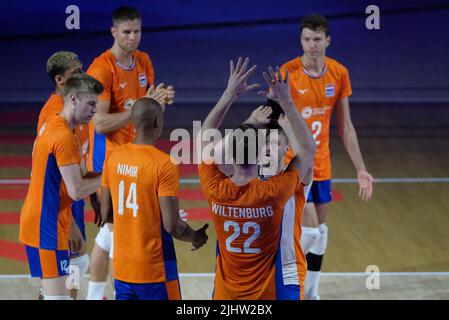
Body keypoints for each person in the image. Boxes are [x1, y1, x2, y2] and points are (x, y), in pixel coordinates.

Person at [198, 57, 316, 299]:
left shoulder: (230, 184)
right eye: (267, 143)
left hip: (284, 271)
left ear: (287, 148)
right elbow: (307, 150)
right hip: (264, 280)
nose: (271, 147)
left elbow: (206, 143)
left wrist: (243, 113)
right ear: (259, 150)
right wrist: (287, 103)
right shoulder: (276, 188)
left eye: (278, 143)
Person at [275, 14, 374, 299]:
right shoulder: (288, 72)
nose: (311, 45)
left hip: (323, 167)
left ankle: (311, 292)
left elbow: (345, 125)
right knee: (311, 231)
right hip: (294, 166)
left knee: (320, 233)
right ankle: (275, 267)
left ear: (327, 41)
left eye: (317, 39)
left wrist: (361, 169)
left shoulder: (339, 73)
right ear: (300, 40)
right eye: (306, 39)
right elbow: (276, 120)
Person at [85, 6, 174, 300]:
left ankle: (96, 295)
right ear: (113, 32)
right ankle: (100, 294)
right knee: (115, 233)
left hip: (136, 156)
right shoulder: (102, 69)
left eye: (137, 31)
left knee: (112, 233)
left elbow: (145, 108)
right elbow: (98, 123)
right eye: (126, 32)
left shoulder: (144, 61)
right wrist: (140, 107)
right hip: (110, 159)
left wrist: (159, 101)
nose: (133, 37)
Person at [100, 97, 208, 300]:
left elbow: (106, 213)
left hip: (123, 269)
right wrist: (196, 237)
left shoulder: (113, 157)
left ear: (132, 122)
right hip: (155, 270)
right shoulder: (164, 164)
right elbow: (172, 226)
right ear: (158, 122)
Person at [19, 73, 104, 300]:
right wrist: (111, 175)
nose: (96, 111)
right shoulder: (63, 136)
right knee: (59, 298)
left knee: (78, 262)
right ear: (74, 99)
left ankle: (49, 291)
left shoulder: (64, 127)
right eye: (92, 104)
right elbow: (76, 190)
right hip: (45, 224)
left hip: (55, 217)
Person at [35, 51, 91, 299]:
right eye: (76, 72)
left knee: (73, 272)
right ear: (60, 80)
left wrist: (94, 194)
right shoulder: (55, 117)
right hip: (58, 210)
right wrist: (69, 226)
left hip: (73, 201)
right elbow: (55, 177)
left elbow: (79, 159)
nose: (83, 75)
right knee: (68, 276)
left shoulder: (76, 105)